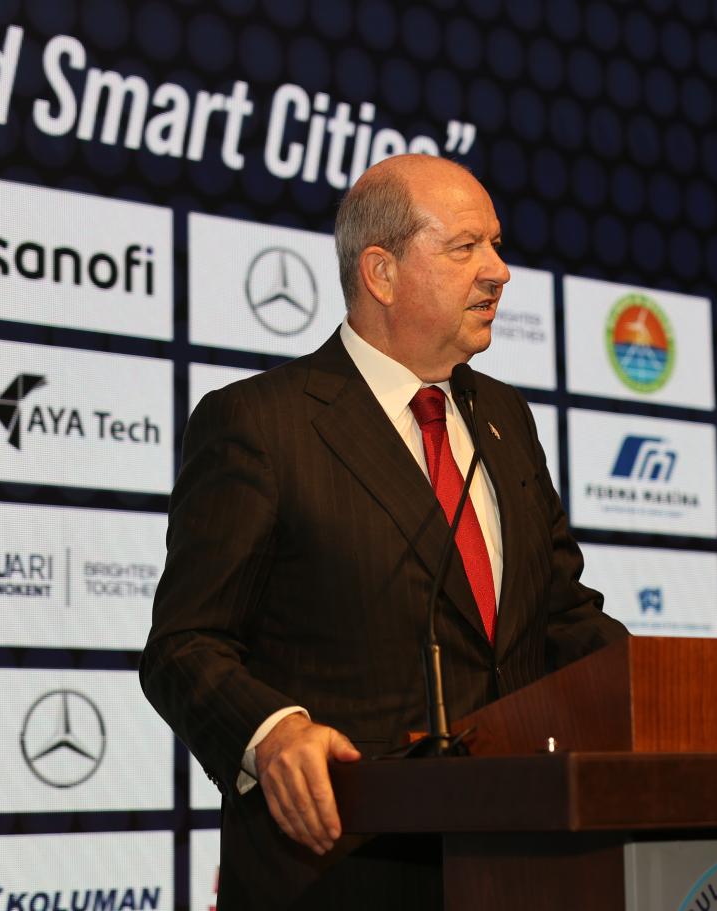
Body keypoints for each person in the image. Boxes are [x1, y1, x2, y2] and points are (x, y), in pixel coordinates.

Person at [139, 154, 628, 909]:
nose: (499, 271)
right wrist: (273, 734)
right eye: (466, 247)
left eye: (496, 245)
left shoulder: (505, 417)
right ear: (382, 272)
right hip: (339, 871)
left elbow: (561, 618)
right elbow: (185, 645)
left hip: (517, 865)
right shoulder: (263, 423)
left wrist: (682, 695)